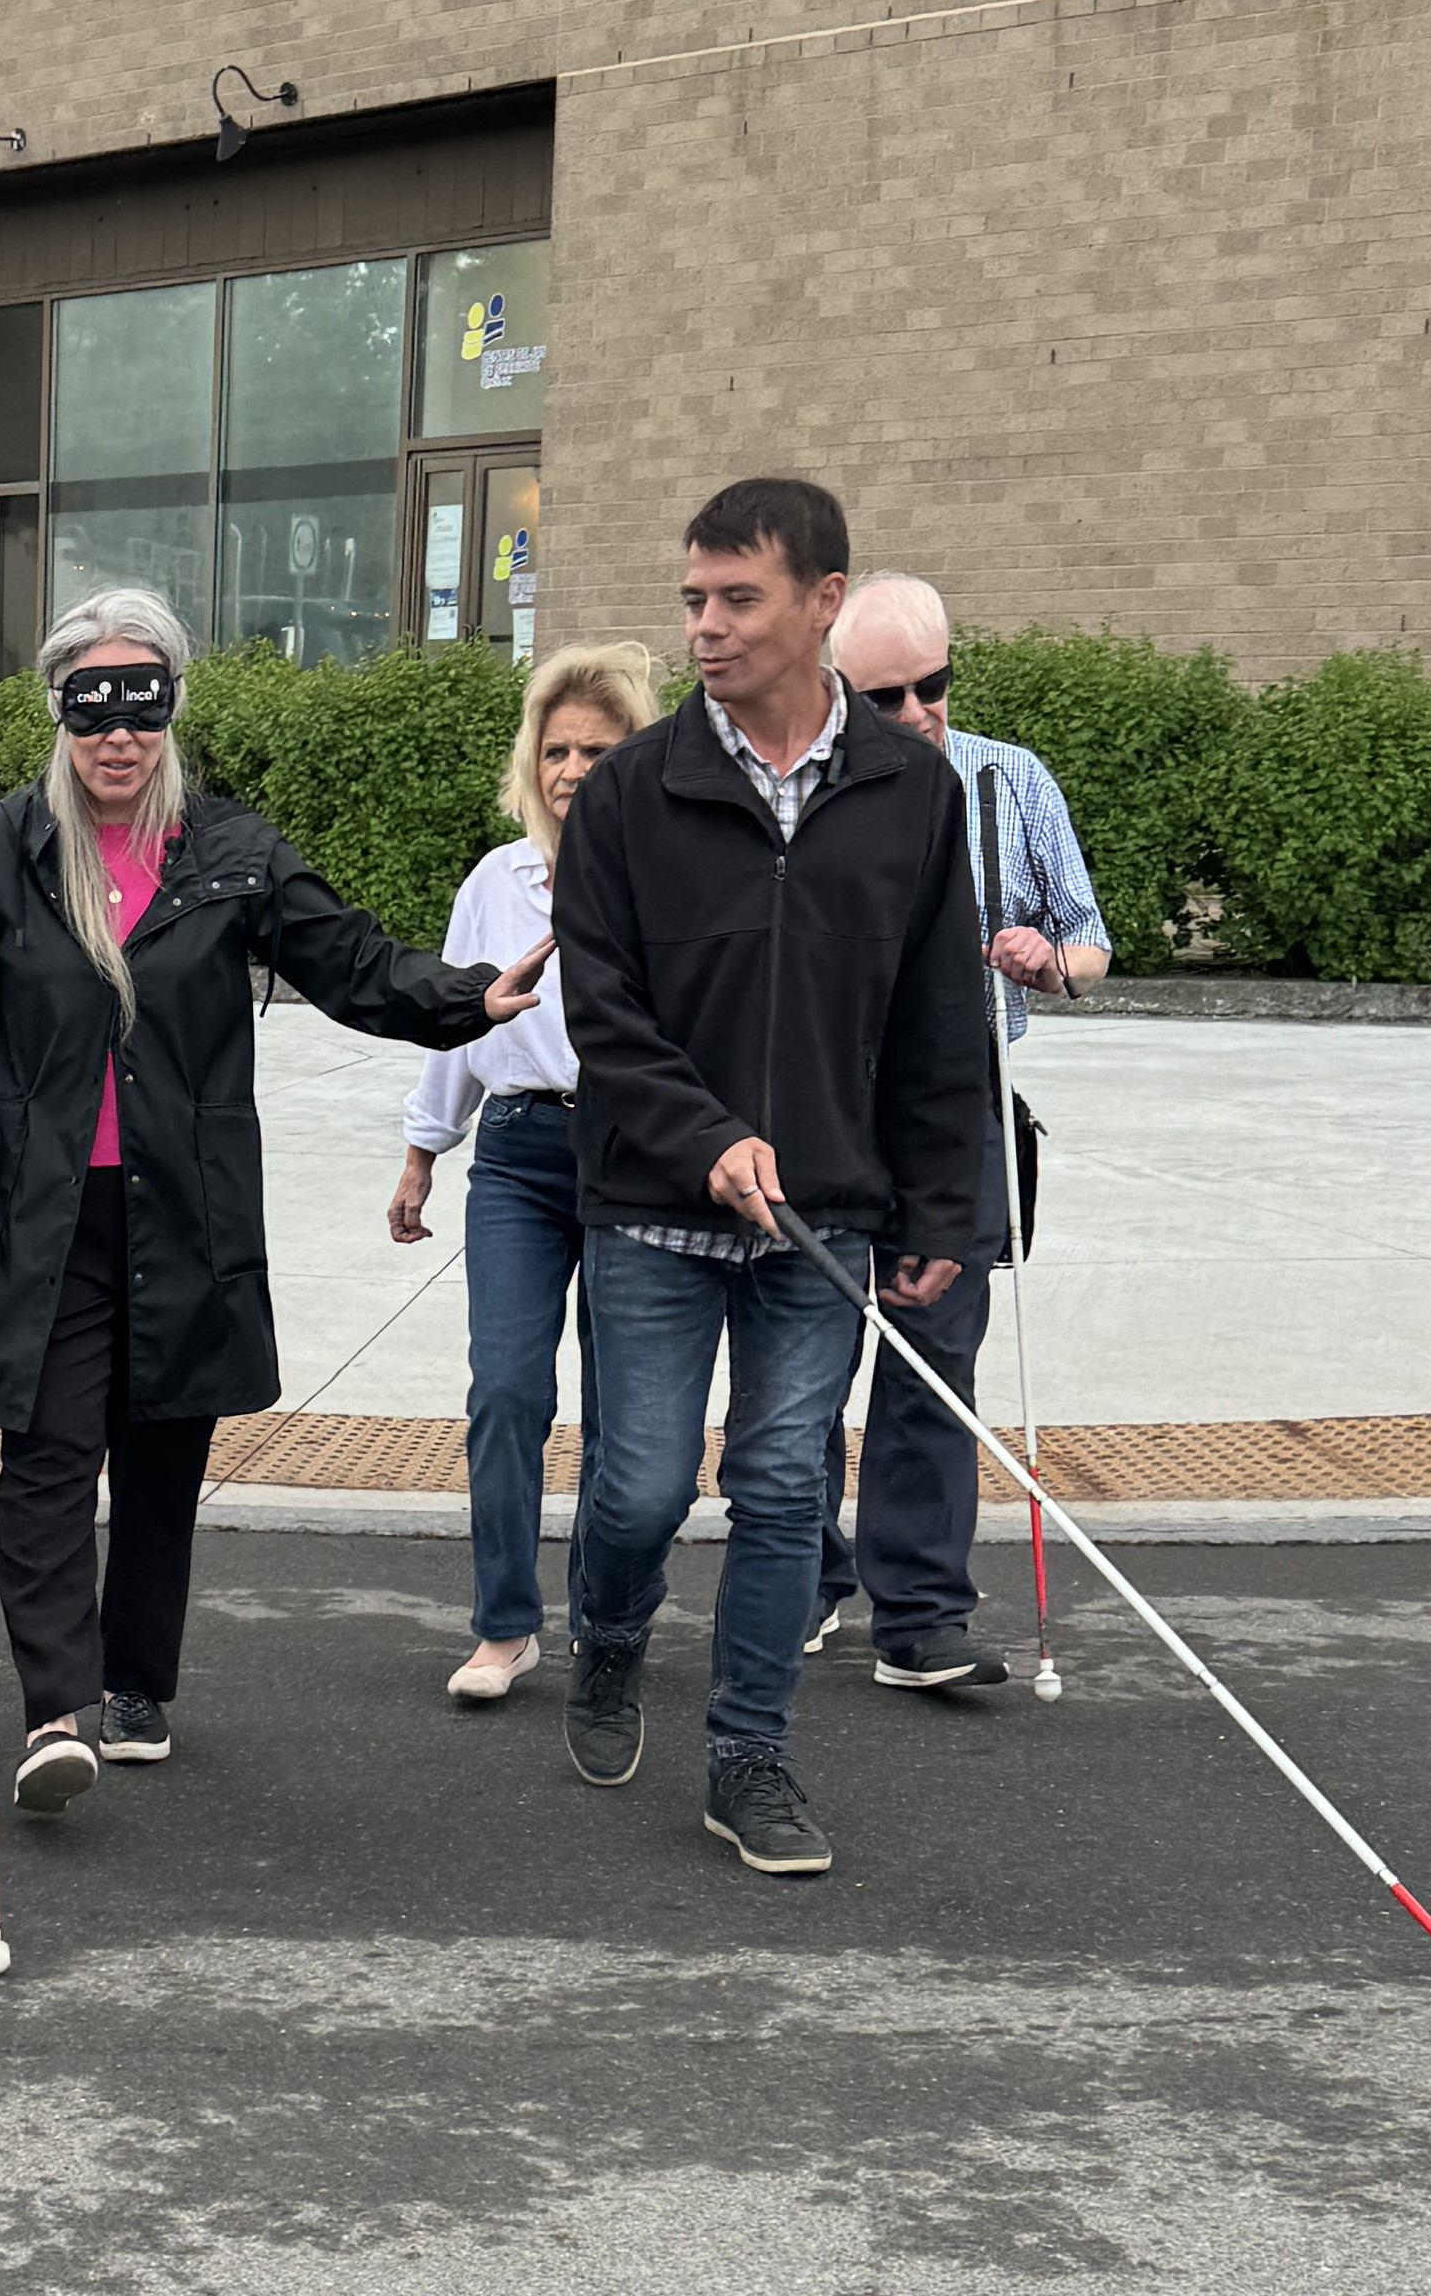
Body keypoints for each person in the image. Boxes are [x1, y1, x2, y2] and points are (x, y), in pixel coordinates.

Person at [0, 588, 540, 1816]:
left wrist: (465, 997)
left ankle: (137, 1684)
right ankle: (54, 1708)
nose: (118, 737)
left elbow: (348, 961)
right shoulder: (2, 848)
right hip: (42, 1214)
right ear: (60, 714)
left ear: (172, 710)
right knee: (47, 1452)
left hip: (183, 1207)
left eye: (141, 708)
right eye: (92, 711)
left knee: (162, 1450)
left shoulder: (229, 850)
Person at [549, 477, 994, 1877]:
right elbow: (602, 1012)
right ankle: (610, 1641)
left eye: (737, 598)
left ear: (821, 604)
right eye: (692, 599)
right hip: (652, 1210)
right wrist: (702, 1136)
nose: (706, 627)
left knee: (788, 1488)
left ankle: (750, 1756)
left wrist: (940, 1208)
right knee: (634, 1491)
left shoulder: (913, 789)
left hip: (832, 1215)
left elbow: (936, 1020)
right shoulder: (632, 790)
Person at [807, 570, 1112, 1689]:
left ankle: (921, 1612)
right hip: (834, 1106)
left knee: (937, 1358)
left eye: (933, 686)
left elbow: (1091, 939)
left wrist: (1052, 964)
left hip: (966, 1101)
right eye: (885, 697)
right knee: (810, 1350)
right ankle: (799, 1579)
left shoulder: (1008, 782)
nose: (917, 714)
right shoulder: (810, 791)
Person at [391, 643, 664, 1705]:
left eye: (599, 750)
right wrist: (422, 1153)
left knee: (621, 1405)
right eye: (556, 749)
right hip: (516, 1154)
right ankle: (505, 1626)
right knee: (507, 1390)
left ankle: (607, 1619)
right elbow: (458, 1028)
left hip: (635, 1155)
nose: (573, 769)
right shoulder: (496, 883)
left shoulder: (669, 880)